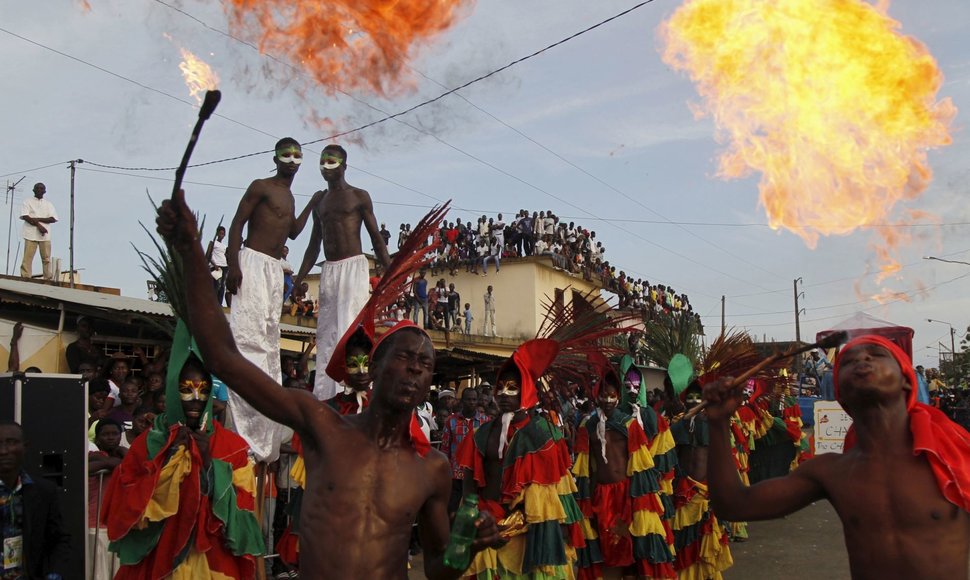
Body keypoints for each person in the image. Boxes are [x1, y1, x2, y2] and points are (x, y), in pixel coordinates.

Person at [157, 190, 501, 577]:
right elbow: (223, 356)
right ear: (373, 368)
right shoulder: (322, 425)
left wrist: (465, 547)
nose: (415, 370)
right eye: (403, 358)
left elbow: (438, 569)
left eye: (424, 364)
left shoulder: (432, 469)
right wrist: (189, 252)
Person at [703, 335, 970, 579]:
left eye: (876, 354)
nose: (862, 360)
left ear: (906, 379)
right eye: (848, 361)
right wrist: (718, 423)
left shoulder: (954, 456)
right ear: (839, 391)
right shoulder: (832, 472)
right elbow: (734, 505)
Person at [100, 329, 263, 578]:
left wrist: (210, 465)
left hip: (212, 562)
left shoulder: (233, 447)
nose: (196, 398)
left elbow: (243, 516)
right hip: (158, 559)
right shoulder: (148, 443)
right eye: (187, 389)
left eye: (203, 390)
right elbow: (124, 503)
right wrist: (168, 456)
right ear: (174, 390)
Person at [224, 138, 320, 464]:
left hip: (274, 271)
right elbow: (237, 222)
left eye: (297, 155)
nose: (291, 160)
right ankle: (241, 437)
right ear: (276, 157)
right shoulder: (261, 186)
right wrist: (232, 263)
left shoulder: (290, 196)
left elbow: (292, 232)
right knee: (247, 339)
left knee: (268, 344)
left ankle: (264, 434)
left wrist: (312, 203)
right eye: (286, 154)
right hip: (252, 260)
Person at [457, 338, 581, 578]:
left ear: (526, 392)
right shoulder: (481, 435)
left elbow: (557, 496)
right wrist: (474, 520)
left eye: (512, 388)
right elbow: (469, 487)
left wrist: (521, 521)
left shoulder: (543, 435)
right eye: (500, 387)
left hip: (529, 535)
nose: (504, 394)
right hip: (488, 531)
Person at [292, 144, 392, 402]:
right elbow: (314, 245)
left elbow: (376, 239)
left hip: (353, 268)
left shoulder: (359, 196)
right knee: (326, 333)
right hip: (330, 270)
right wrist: (299, 278)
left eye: (332, 161)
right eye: (323, 162)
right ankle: (325, 397)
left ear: (344, 166)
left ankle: (352, 394)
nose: (326, 167)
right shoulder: (320, 203)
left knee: (350, 329)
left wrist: (391, 272)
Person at [573, 361, 677, 579]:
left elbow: (641, 465)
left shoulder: (630, 425)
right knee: (608, 545)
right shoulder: (586, 427)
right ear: (596, 397)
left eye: (612, 396)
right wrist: (587, 499)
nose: (608, 400)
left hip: (627, 493)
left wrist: (640, 498)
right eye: (603, 395)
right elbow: (586, 468)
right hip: (602, 494)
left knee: (634, 543)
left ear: (617, 397)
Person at [0, 421, 71, 578]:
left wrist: (55, 571)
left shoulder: (44, 491)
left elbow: (58, 539)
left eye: (11, 443)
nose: (4, 451)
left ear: (25, 447)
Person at [439, 388, 488, 515]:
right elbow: (445, 449)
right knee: (453, 512)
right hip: (456, 476)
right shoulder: (451, 421)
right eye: (468, 399)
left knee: (474, 513)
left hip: (477, 475)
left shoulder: (485, 421)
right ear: (462, 401)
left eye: (474, 399)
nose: (471, 402)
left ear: (477, 401)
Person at [19, 182, 58, 280]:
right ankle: (26, 276)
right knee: (27, 258)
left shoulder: (48, 204)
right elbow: (25, 216)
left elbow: (53, 219)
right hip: (30, 234)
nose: (40, 190)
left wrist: (38, 219)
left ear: (45, 191)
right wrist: (38, 225)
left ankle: (48, 277)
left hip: (45, 235)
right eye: (38, 188)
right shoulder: (27, 201)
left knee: (46, 258)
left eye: (42, 189)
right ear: (34, 190)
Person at [206, 225, 230, 306]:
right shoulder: (213, 243)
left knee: (222, 285)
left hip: (224, 266)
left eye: (223, 234)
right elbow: (209, 254)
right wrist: (214, 264)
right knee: (216, 285)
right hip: (216, 266)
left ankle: (219, 303)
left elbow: (226, 255)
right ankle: (212, 303)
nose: (221, 235)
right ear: (217, 233)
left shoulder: (224, 246)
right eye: (220, 233)